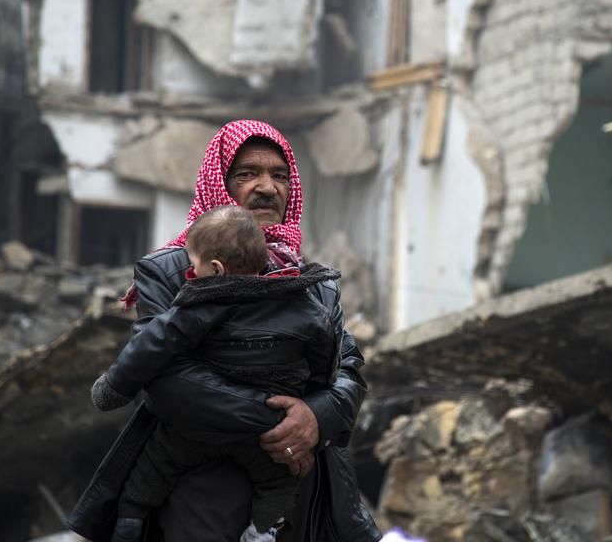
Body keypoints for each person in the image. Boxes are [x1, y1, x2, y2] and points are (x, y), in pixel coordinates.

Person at [68, 119, 382, 542]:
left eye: (279, 175)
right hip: (204, 486)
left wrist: (317, 417)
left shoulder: (312, 280)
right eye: (247, 173)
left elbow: (348, 367)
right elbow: (166, 380)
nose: (267, 187)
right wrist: (285, 422)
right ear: (218, 184)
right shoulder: (172, 271)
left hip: (299, 485)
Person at [91, 205, 343, 542]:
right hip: (266, 440)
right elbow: (328, 356)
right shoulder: (301, 297)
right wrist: (304, 402)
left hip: (194, 432)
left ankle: (129, 520)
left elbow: (152, 348)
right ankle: (264, 531)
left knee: (153, 463)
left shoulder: (199, 304)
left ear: (216, 268)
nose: (189, 273)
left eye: (192, 266)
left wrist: (114, 387)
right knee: (281, 481)